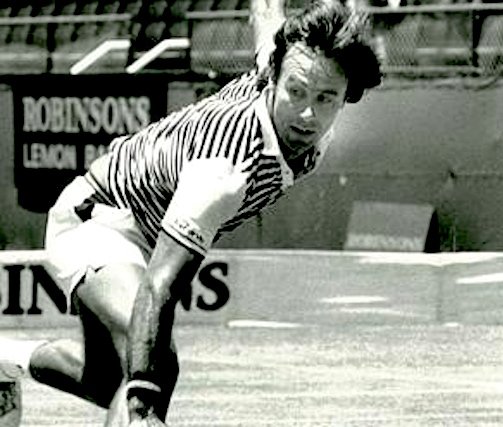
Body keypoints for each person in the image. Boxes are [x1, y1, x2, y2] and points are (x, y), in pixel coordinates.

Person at [0, 1, 382, 426]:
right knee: (152, 367)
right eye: (296, 91)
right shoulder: (224, 168)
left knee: (103, 381)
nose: (307, 113)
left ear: (347, 96)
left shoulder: (285, 64)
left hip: (145, 229)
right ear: (273, 78)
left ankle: (2, 359)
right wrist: (143, 404)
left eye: (326, 98)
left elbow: (267, 15)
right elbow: (158, 286)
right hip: (101, 219)